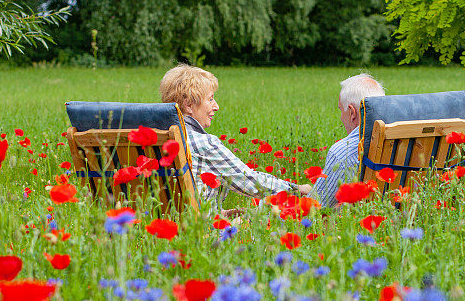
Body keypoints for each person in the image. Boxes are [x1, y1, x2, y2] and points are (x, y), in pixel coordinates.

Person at [159, 64, 312, 212]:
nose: (216, 106)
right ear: (189, 105)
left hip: (163, 227)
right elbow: (250, 181)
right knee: (273, 210)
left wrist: (220, 213)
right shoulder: (203, 144)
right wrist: (297, 189)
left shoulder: (157, 139)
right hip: (201, 231)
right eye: (210, 99)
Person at [313, 74, 385, 207]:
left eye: (341, 110)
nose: (341, 117)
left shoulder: (343, 152)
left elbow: (317, 206)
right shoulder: (403, 140)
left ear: (352, 112)